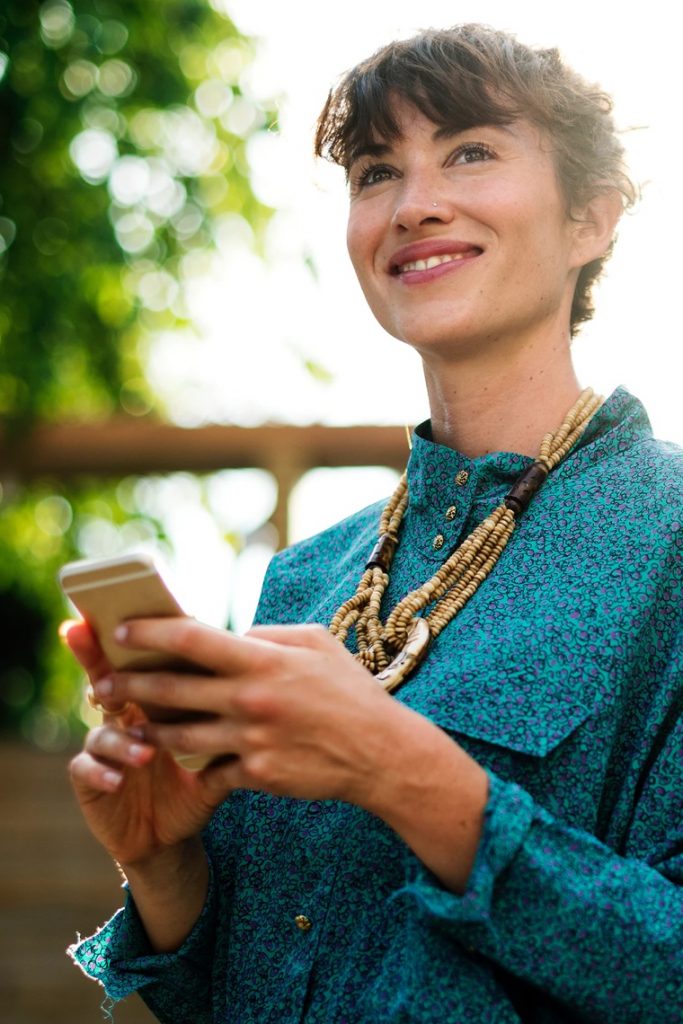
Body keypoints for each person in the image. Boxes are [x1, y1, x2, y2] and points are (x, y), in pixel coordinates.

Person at [65, 24, 682, 1023]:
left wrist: (403, 772)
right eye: (375, 170)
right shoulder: (306, 582)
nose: (414, 203)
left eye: (469, 151)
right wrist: (164, 865)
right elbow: (235, 992)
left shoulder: (668, 542)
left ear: (590, 220)